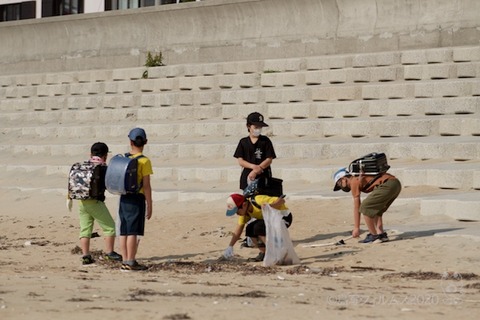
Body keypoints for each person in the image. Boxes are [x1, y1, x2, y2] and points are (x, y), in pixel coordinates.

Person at [75, 142, 122, 265]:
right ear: (106, 155)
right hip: (95, 202)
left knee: (85, 229)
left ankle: (86, 255)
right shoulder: (102, 167)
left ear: (90, 154)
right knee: (110, 227)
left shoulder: (84, 166)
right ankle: (109, 253)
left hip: (82, 201)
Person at [333, 167, 402, 243]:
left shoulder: (353, 181)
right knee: (376, 209)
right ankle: (381, 234)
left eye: (339, 184)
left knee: (365, 207)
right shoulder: (358, 178)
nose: (341, 187)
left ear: (344, 179)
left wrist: (356, 228)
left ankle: (374, 236)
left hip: (388, 184)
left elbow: (357, 207)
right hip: (396, 184)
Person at [119, 128, 153, 271]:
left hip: (124, 197)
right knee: (133, 231)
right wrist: (150, 204)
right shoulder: (144, 161)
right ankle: (131, 262)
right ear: (145, 142)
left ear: (130, 142)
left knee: (124, 230)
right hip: (136, 198)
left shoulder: (125, 159)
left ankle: (125, 260)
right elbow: (146, 186)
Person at [222, 193, 292, 262]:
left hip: (283, 218)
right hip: (269, 221)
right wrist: (230, 246)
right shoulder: (244, 213)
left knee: (258, 227)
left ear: (244, 205)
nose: (237, 214)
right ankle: (264, 253)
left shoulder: (258, 200)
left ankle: (276, 252)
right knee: (249, 229)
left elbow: (282, 200)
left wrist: (269, 206)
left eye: (237, 211)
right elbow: (238, 229)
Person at [233, 112, 276, 190]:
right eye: (256, 127)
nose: (258, 129)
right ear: (248, 126)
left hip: (263, 175)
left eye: (260, 127)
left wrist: (257, 170)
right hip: (247, 174)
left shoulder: (265, 141)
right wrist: (253, 167)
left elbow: (269, 159)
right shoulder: (243, 142)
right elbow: (240, 161)